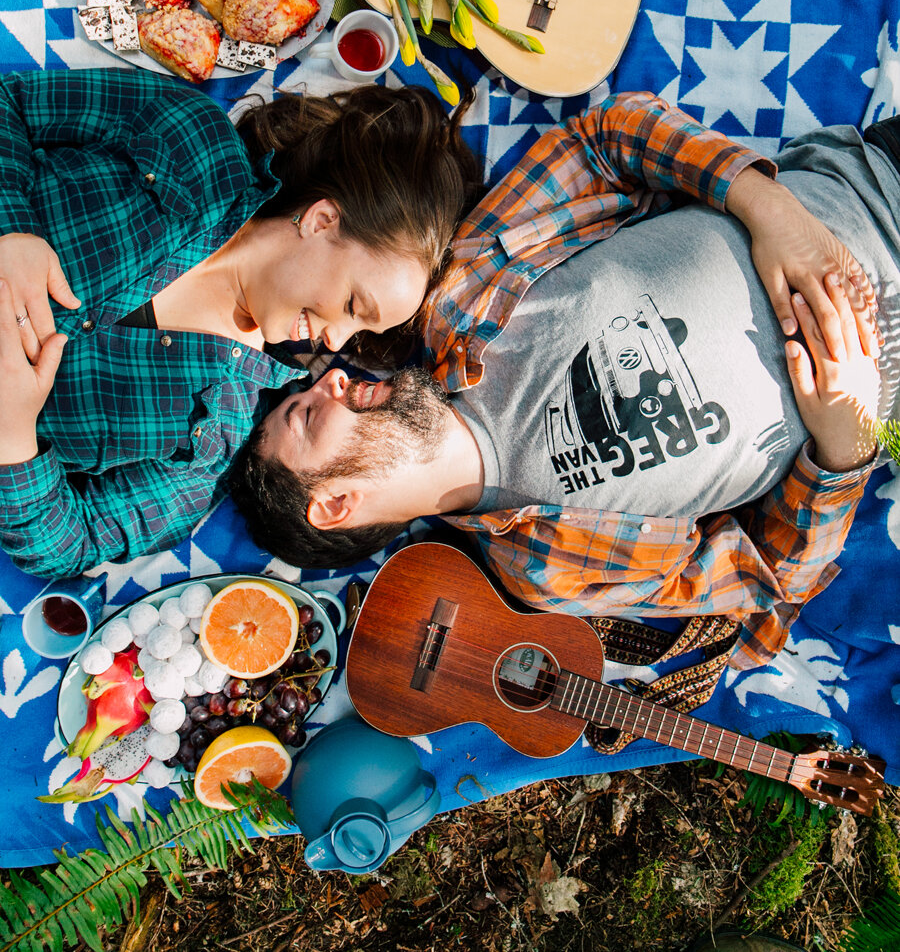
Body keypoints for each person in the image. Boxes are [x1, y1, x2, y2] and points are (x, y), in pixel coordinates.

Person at [232, 92, 893, 669]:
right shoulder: (547, 567)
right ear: (337, 504)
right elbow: (772, 575)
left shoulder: (459, 299)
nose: (334, 381)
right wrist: (847, 443)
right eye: (309, 416)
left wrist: (770, 208)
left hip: (873, 187)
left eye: (313, 389)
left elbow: (609, 135)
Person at [0, 67, 479, 577]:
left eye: (360, 333)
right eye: (354, 306)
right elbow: (13, 103)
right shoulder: (191, 139)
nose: (337, 340)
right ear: (321, 221)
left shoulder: (216, 442)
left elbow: (72, 543)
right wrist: (13, 232)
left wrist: (12, 436)